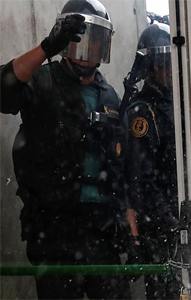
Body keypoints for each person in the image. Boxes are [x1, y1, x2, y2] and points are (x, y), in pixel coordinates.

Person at [0, 0, 131, 299]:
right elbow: (3, 92)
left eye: (96, 42)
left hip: (101, 230)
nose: (87, 52)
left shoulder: (109, 95)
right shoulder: (41, 80)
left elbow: (121, 169)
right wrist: (46, 47)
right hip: (54, 230)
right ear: (65, 42)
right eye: (79, 40)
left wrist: (127, 224)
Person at [124, 22, 180, 299]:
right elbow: (142, 179)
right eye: (162, 63)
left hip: (181, 220)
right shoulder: (142, 111)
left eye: (172, 62)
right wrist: (171, 224)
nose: (169, 70)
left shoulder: (178, 104)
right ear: (149, 68)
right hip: (161, 229)